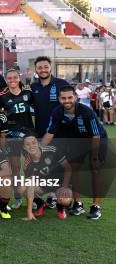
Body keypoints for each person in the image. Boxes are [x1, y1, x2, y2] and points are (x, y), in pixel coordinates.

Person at [43, 86, 107, 219]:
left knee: (95, 170)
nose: (67, 101)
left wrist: (94, 156)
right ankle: (78, 204)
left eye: (70, 97)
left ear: (76, 97)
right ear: (59, 99)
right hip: (78, 142)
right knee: (74, 169)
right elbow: (50, 133)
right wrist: (38, 150)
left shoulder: (86, 111)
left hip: (97, 141)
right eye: (63, 98)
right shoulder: (57, 112)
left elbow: (96, 135)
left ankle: (96, 207)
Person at [0, 68, 36, 209]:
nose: (12, 80)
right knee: (15, 168)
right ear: (6, 80)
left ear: (19, 78)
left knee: (30, 166)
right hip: (11, 134)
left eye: (15, 77)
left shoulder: (28, 92)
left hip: (28, 134)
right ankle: (18, 197)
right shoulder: (1, 95)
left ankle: (34, 198)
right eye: (9, 78)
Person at [21, 133, 72, 221]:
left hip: (59, 183)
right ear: (24, 147)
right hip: (43, 185)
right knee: (22, 188)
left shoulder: (52, 150)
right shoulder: (27, 163)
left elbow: (68, 168)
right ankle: (41, 204)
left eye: (34, 143)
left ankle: (60, 208)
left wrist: (64, 186)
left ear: (38, 143)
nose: (31, 146)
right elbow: (30, 185)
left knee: (65, 200)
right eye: (28, 144)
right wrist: (29, 212)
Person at [30, 56, 69, 137]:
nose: (43, 70)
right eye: (39, 68)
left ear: (51, 68)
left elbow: (72, 105)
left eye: (46, 67)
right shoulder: (33, 87)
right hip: (40, 131)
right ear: (36, 70)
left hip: (60, 132)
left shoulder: (62, 84)